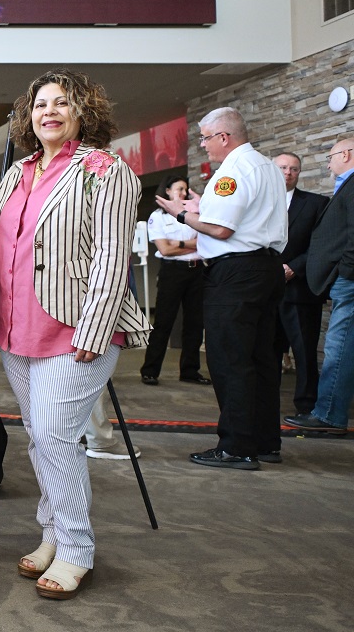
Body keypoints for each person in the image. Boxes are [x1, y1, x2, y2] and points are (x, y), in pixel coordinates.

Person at [0, 69, 150, 600]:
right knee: (42, 439)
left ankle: (77, 549)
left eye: (62, 103)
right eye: (40, 105)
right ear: (27, 116)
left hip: (75, 329)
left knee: (57, 435)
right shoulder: (18, 172)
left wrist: (97, 326)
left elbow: (111, 257)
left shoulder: (104, 170)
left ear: (83, 112)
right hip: (16, 330)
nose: (49, 112)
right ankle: (53, 533)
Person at [156, 107, 287, 469]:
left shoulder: (231, 170)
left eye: (206, 137)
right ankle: (264, 442)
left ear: (224, 137)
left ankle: (237, 447)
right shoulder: (267, 166)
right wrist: (203, 206)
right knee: (261, 360)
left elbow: (221, 230)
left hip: (236, 274)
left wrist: (180, 215)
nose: (203, 144)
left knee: (231, 360)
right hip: (266, 268)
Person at [285, 138, 354, 436]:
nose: (327, 162)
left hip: (348, 281)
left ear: (347, 154)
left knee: (338, 346)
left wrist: (346, 273)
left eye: (331, 156)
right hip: (342, 279)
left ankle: (328, 414)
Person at [139, 175, 208, 386]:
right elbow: (165, 249)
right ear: (167, 191)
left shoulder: (196, 214)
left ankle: (190, 371)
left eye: (185, 189)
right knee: (163, 322)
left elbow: (205, 242)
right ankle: (150, 370)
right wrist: (191, 243)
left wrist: (178, 242)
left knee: (195, 324)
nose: (183, 193)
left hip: (197, 271)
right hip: (172, 272)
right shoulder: (158, 217)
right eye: (179, 189)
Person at [271, 153, 327, 415]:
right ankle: (266, 405)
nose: (288, 173)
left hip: (300, 289)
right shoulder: (258, 203)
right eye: (283, 168)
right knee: (267, 353)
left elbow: (321, 245)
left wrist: (294, 267)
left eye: (294, 169)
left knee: (304, 353)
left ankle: (306, 407)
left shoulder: (316, 204)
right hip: (265, 290)